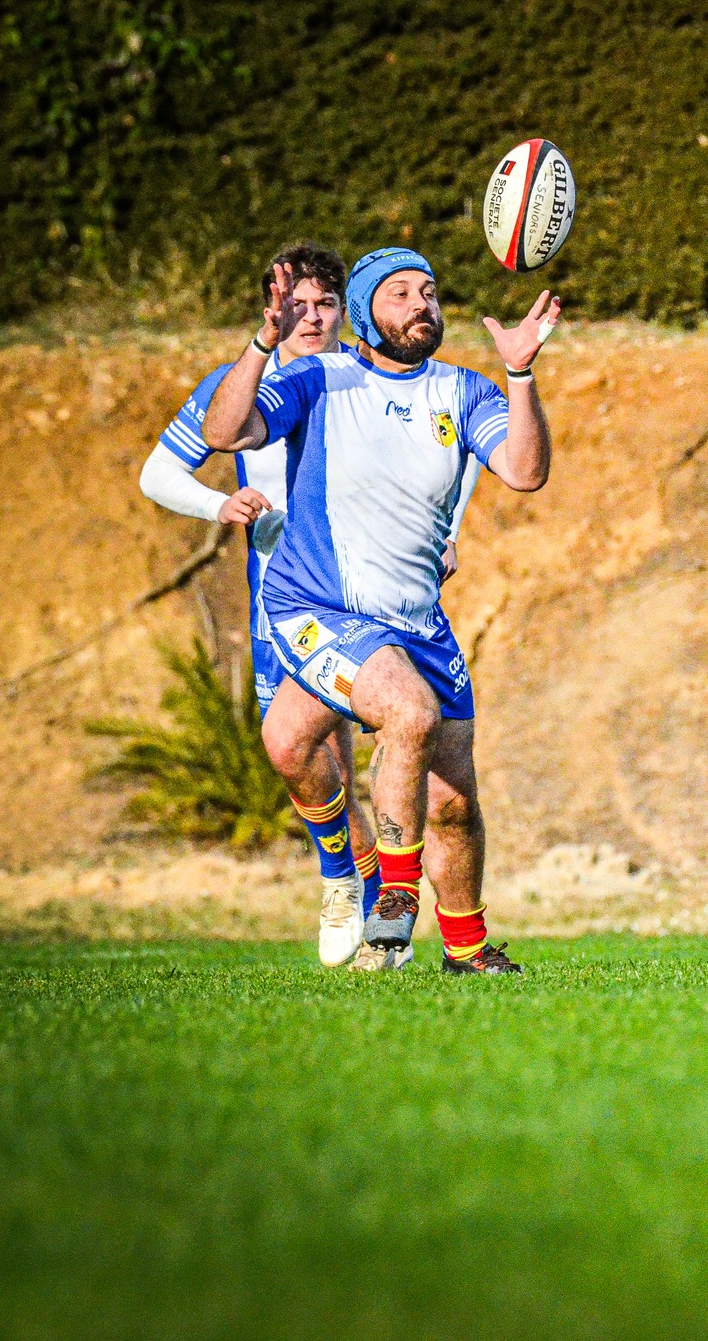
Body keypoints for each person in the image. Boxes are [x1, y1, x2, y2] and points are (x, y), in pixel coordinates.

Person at [203, 246, 560, 974]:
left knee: (447, 796)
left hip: (417, 620)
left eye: (429, 292)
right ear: (365, 311)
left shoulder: (463, 391)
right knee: (409, 713)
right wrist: (262, 343)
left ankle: (465, 950)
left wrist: (520, 375)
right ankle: (390, 900)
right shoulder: (317, 378)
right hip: (319, 607)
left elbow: (525, 472)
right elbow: (226, 433)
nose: (421, 304)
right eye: (400, 293)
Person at [139, 243, 481, 969]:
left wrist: (447, 532)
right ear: (274, 309)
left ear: (345, 310)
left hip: (374, 600)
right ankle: (343, 878)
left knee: (397, 735)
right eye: (299, 305)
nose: (313, 317)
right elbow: (160, 470)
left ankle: (389, 915)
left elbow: (447, 452)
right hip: (288, 604)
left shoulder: (358, 382)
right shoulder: (249, 384)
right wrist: (219, 503)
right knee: (299, 753)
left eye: (326, 304)